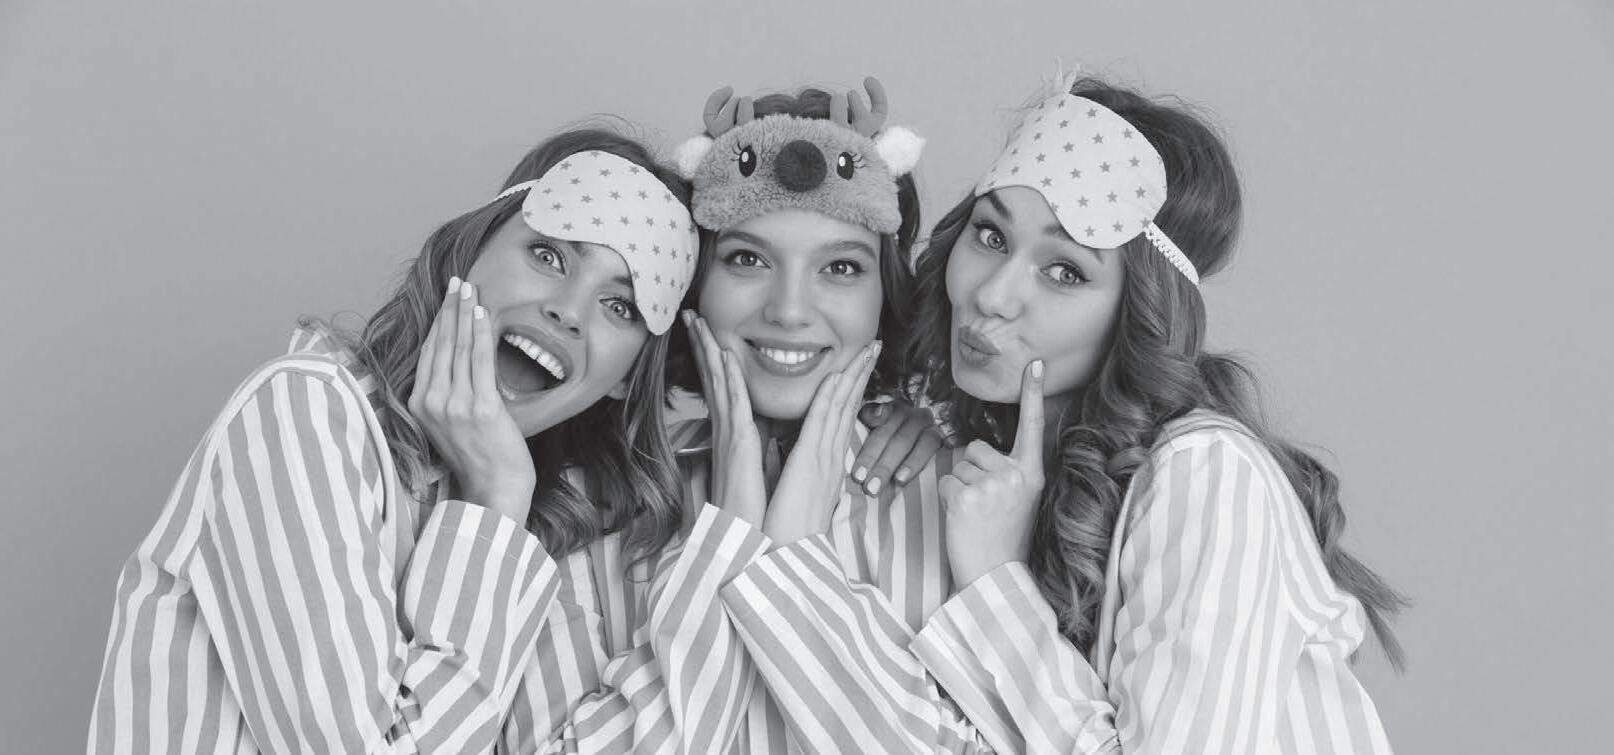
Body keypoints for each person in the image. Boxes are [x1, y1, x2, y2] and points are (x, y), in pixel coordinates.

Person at [716, 74, 1405, 753]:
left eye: (1065, 271)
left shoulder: (1209, 476)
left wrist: (994, 583)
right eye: (991, 236)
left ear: (1138, 312)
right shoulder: (1002, 481)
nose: (992, 295)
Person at [87, 127, 701, 754]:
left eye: (620, 306)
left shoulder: (546, 538)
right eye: (548, 256)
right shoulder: (301, 412)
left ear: (627, 379)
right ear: (471, 251)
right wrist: (497, 493)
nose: (568, 310)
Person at [502, 79, 963, 753]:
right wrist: (729, 540)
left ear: (884, 299)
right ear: (692, 284)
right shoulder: (586, 502)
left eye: (840, 268)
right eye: (748, 259)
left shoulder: (959, 504)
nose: (789, 310)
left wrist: (796, 563)